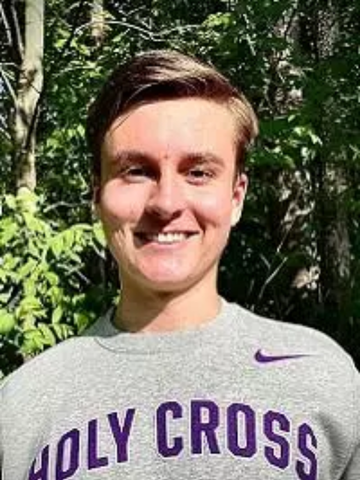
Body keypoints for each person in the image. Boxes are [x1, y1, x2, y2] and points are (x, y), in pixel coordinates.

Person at [0, 50, 359, 480]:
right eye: (135, 171)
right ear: (97, 194)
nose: (166, 203)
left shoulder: (324, 376)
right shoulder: (22, 407)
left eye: (199, 173)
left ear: (237, 196)